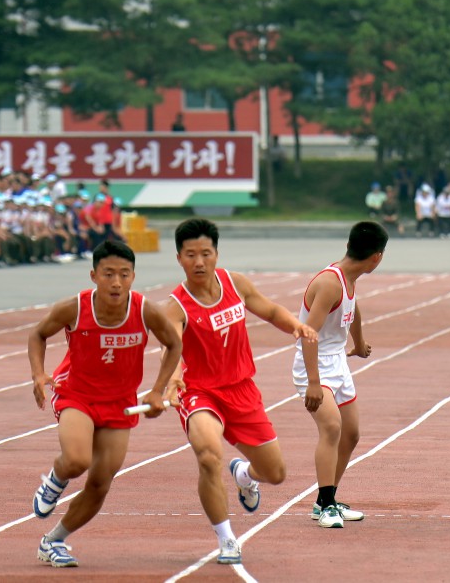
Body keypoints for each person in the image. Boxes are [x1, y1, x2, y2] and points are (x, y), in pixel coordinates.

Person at [163, 218, 317, 564]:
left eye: (205, 253)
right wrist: (173, 380)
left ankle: (244, 474)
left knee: (276, 474)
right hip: (200, 393)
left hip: (242, 390)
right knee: (207, 455)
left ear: (216, 253)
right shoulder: (175, 305)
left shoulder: (235, 283)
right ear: (179, 258)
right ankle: (226, 538)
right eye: (190, 255)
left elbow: (270, 309)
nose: (199, 262)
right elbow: (170, 346)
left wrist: (295, 325)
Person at [29, 240, 183, 568]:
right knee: (76, 460)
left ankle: (53, 541)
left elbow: (173, 343)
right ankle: (55, 479)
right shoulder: (75, 308)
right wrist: (38, 374)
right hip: (77, 395)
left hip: (120, 403)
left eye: (124, 275)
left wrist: (158, 390)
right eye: (108, 274)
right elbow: (38, 334)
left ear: (133, 276)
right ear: (93, 275)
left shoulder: (145, 310)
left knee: (100, 484)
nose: (116, 282)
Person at [292, 221, 387, 529]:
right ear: (377, 257)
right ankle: (326, 503)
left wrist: (358, 343)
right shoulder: (331, 281)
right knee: (332, 428)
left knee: (351, 433)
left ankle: (326, 500)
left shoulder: (349, 278)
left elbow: (353, 309)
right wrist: (314, 383)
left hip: (337, 363)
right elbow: (308, 334)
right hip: (314, 364)